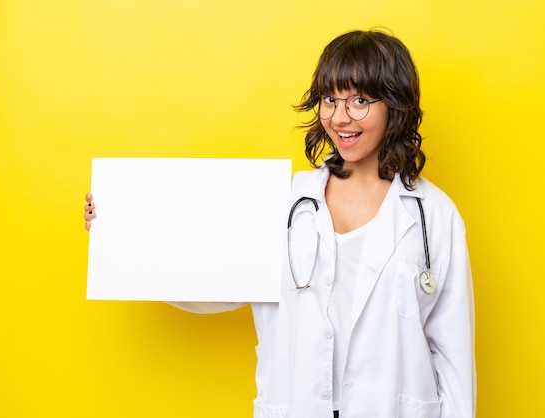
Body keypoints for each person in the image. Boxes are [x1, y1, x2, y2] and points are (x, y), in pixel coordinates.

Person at [84, 29, 475, 418]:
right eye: (329, 100)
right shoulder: (285, 202)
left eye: (359, 100)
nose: (340, 118)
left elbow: (453, 355)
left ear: (395, 105)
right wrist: (117, 230)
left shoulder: (434, 216)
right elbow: (209, 283)